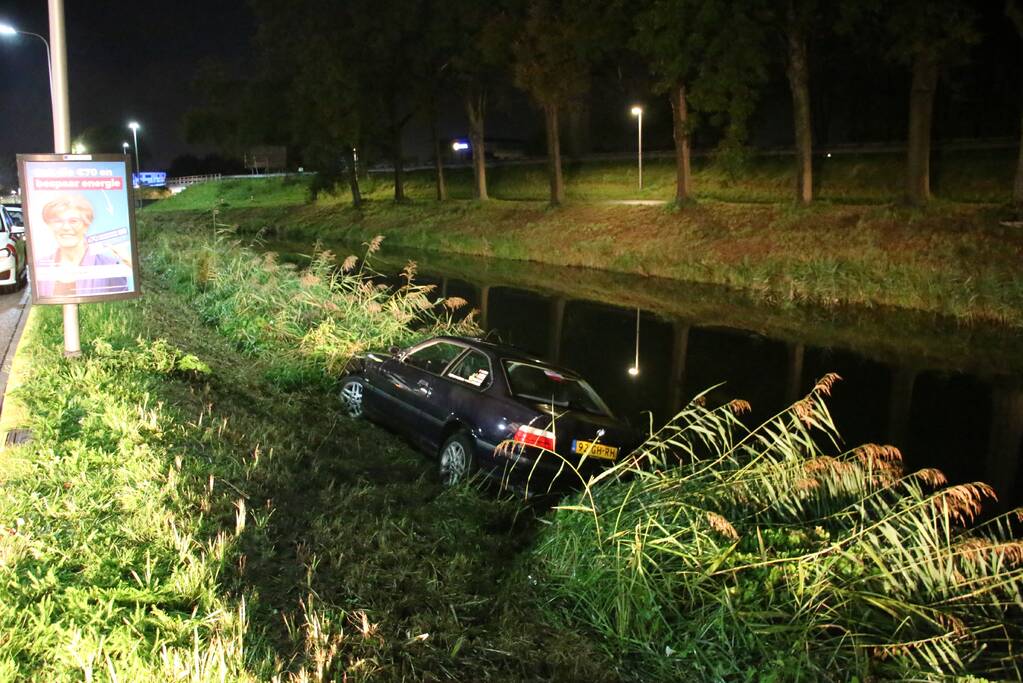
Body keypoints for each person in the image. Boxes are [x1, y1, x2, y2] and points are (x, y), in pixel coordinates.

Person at [34, 193, 130, 298]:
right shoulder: (40, 266)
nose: (66, 227)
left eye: (74, 221)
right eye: (58, 221)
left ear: (86, 225)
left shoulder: (110, 266)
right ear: (50, 226)